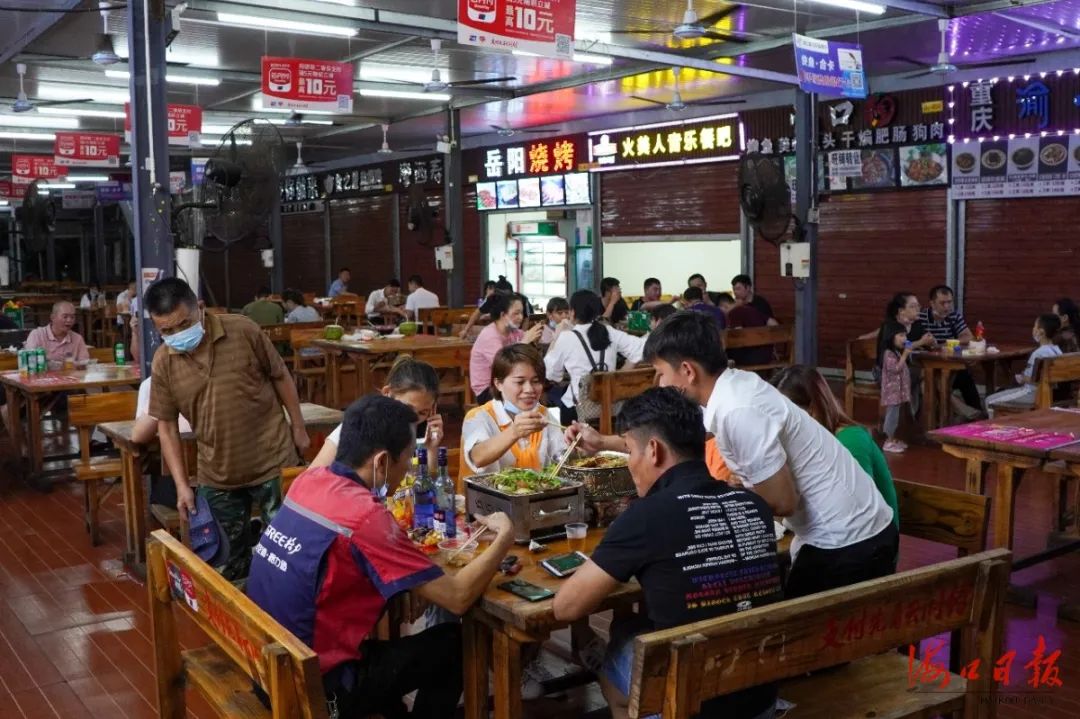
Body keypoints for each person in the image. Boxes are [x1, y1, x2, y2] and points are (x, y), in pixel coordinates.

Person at [570, 312, 897, 599]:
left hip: (849, 543)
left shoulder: (738, 410)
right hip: (849, 532)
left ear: (687, 371)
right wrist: (602, 442)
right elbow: (669, 439)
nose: (658, 382)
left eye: (660, 372)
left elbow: (783, 502)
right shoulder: (732, 388)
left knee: (790, 641)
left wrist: (725, 496)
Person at [246, 395, 515, 719]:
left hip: (265, 665)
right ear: (382, 462)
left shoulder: (309, 481)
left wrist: (409, 583)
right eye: (407, 459)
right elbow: (458, 598)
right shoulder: (366, 517)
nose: (407, 470)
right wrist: (504, 535)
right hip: (313, 690)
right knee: (453, 646)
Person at [553, 387, 782, 719]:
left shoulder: (646, 516)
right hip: (758, 693)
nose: (629, 463)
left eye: (630, 450)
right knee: (631, 629)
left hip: (694, 702)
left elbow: (566, 607)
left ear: (654, 450)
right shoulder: (754, 505)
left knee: (616, 654)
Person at [146, 277, 310, 581]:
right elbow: (166, 428)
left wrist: (298, 428)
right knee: (224, 567)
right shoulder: (163, 362)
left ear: (200, 307)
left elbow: (280, 376)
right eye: (166, 331)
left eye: (183, 325)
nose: (177, 335)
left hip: (273, 462)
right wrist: (182, 486)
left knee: (287, 561)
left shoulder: (243, 330)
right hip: (217, 475)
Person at [772, 365, 898, 526]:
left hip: (867, 537)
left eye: (784, 417)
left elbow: (854, 513)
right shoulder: (806, 443)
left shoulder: (851, 440)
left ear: (813, 411)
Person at [310, 355, 443, 474]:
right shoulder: (357, 427)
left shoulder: (419, 437)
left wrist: (431, 450)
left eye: (423, 412)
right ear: (387, 393)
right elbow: (311, 478)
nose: (413, 418)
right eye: (407, 408)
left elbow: (425, 485)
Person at [462, 344, 567, 478]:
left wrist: (577, 446)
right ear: (498, 384)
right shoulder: (479, 417)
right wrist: (515, 432)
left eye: (536, 381)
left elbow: (561, 458)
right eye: (520, 382)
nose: (529, 389)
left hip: (540, 491)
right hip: (490, 492)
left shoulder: (544, 415)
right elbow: (477, 457)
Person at [545, 290, 646, 425]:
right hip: (611, 408)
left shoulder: (566, 337)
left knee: (565, 398)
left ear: (572, 312)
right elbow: (641, 349)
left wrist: (556, 336)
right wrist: (620, 374)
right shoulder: (609, 331)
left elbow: (550, 374)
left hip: (578, 411)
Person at [917, 285, 981, 419]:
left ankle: (978, 414)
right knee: (934, 382)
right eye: (942, 303)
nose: (947, 307)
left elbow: (968, 337)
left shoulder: (954, 316)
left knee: (965, 376)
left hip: (949, 365)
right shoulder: (920, 318)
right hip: (926, 367)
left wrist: (947, 343)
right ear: (932, 303)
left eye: (949, 302)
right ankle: (968, 414)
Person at [469, 293, 542, 404]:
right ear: (503, 315)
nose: (521, 317)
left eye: (521, 313)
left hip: (508, 382)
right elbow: (504, 366)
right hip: (488, 390)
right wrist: (525, 342)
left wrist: (535, 338)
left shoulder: (513, 332)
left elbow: (527, 341)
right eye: (516, 313)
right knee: (529, 395)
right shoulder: (490, 335)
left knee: (536, 389)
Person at [985, 314, 1063, 417]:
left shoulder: (1039, 353)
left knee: (989, 401)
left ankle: (993, 426)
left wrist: (1022, 378)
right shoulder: (1057, 350)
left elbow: (1031, 379)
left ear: (1041, 332)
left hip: (1032, 393)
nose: (1033, 329)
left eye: (1035, 326)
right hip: (1050, 394)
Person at [879, 321, 914, 454]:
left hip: (898, 391)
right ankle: (888, 440)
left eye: (905, 335)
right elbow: (895, 369)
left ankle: (893, 438)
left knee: (896, 414)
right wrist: (905, 355)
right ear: (891, 336)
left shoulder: (896, 352)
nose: (904, 338)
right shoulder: (888, 353)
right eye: (901, 335)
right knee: (892, 415)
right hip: (892, 391)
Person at [716, 291, 773, 367]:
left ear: (724, 305)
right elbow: (773, 323)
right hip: (767, 355)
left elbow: (737, 336)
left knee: (723, 355)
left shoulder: (733, 313)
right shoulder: (751, 309)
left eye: (720, 310)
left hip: (753, 357)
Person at [25, 301, 89, 363]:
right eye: (65, 317)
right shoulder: (37, 335)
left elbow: (84, 363)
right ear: (52, 317)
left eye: (72, 317)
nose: (69, 320)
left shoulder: (77, 339)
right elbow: (29, 362)